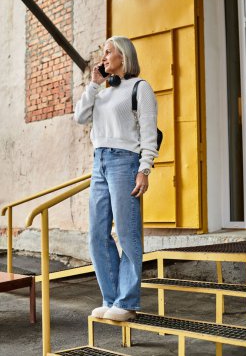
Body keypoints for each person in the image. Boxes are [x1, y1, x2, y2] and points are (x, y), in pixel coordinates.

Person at [74, 36, 158, 321]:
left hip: (125, 162)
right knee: (97, 234)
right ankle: (111, 298)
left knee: (126, 232)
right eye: (103, 52)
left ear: (124, 56)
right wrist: (94, 84)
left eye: (109, 52)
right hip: (99, 162)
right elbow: (80, 116)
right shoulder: (101, 89)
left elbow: (148, 133)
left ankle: (128, 301)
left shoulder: (140, 88)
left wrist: (144, 169)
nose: (104, 56)